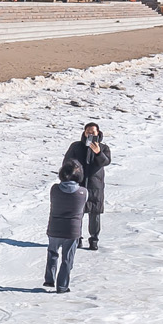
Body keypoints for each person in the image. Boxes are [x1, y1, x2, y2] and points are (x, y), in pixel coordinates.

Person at [61, 121, 112, 249]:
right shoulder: (76, 146)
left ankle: (94, 240)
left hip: (96, 185)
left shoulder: (104, 148)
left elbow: (106, 162)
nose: (90, 134)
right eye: (88, 132)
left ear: (98, 133)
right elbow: (67, 162)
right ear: (84, 133)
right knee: (77, 212)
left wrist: (98, 152)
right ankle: (76, 238)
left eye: (93, 132)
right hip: (79, 183)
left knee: (95, 213)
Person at [44, 158, 86, 293]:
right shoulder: (83, 192)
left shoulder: (54, 189)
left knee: (52, 253)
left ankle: (49, 279)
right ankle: (62, 286)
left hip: (54, 227)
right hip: (72, 230)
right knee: (67, 258)